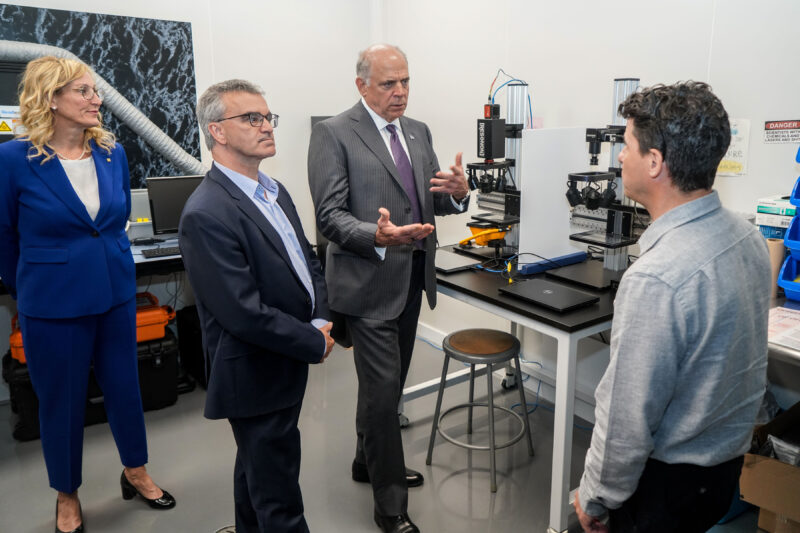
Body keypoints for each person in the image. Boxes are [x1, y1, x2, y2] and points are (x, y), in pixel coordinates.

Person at [574, 81, 771, 533]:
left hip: (663, 490)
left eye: (626, 146)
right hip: (720, 475)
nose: (620, 156)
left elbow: (627, 419)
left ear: (655, 162)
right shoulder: (749, 239)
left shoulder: (656, 278)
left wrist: (595, 499)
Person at [0, 56, 175, 533]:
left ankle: (136, 471)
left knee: (125, 389)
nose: (97, 100)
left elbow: (111, 224)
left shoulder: (111, 152)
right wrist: (25, 288)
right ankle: (67, 495)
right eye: (84, 91)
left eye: (95, 91)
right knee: (61, 401)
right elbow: (4, 235)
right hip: (51, 303)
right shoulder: (13, 160)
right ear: (51, 98)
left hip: (115, 292)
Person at [308, 44, 469, 533]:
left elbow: (429, 204)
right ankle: (390, 506)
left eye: (405, 82)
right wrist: (373, 235)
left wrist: (459, 195)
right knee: (382, 397)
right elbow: (329, 216)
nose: (399, 93)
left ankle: (365, 459)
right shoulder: (333, 133)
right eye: (387, 84)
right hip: (368, 282)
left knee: (389, 387)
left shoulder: (418, 132)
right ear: (361, 85)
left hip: (412, 281)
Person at [179, 79, 334, 533]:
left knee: (257, 468)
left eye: (268, 117)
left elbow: (308, 259)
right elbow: (241, 311)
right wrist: (311, 339)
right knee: (279, 494)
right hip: (255, 368)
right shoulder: (206, 212)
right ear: (218, 132)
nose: (266, 126)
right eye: (252, 118)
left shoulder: (275, 190)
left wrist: (320, 317)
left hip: (285, 356)